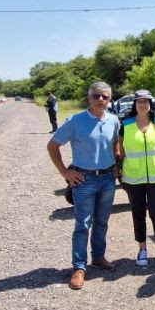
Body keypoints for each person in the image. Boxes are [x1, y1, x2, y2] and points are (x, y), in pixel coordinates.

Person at [47, 82, 120, 290]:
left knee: (102, 222)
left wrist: (117, 162)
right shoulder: (76, 121)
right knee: (82, 225)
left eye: (105, 97)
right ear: (89, 98)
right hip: (83, 180)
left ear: (110, 100)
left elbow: (115, 142)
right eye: (96, 96)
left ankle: (98, 257)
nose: (101, 100)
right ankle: (79, 267)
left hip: (107, 179)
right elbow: (53, 145)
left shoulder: (113, 121)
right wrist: (64, 172)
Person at [116, 89, 155, 267]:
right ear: (135, 104)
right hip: (133, 177)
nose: (143, 104)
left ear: (150, 104)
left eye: (146, 101)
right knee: (138, 213)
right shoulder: (126, 124)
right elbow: (121, 151)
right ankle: (142, 249)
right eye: (140, 101)